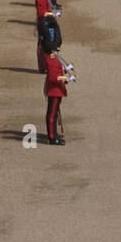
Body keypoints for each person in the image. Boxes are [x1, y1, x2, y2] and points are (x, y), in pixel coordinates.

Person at [39, 16, 72, 145]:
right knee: (52, 114)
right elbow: (54, 77)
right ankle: (52, 137)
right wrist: (65, 78)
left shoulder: (53, 56)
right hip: (54, 89)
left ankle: (54, 133)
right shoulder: (51, 59)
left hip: (57, 89)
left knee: (55, 112)